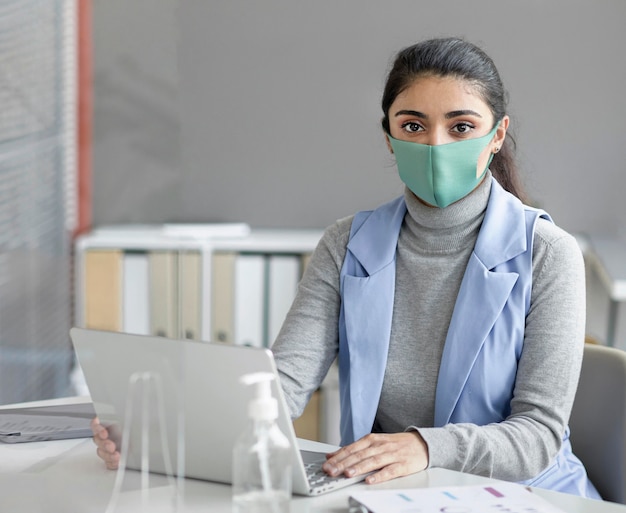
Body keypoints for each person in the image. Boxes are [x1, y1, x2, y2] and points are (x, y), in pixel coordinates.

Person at [92, 37, 600, 499]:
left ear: (496, 135)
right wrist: (161, 433)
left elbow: (536, 435)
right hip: (393, 494)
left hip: (524, 496)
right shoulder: (346, 244)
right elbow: (283, 384)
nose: (436, 146)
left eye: (461, 126)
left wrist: (425, 447)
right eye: (413, 126)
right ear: (389, 136)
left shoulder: (549, 252)